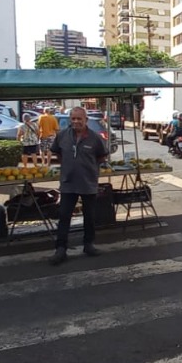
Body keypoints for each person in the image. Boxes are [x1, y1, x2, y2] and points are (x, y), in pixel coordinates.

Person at [50, 107, 109, 265]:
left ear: (85, 120)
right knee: (64, 215)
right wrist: (70, 166)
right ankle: (61, 248)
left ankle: (88, 245)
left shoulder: (95, 138)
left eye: (79, 119)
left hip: (88, 182)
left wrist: (89, 167)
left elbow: (102, 156)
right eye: (73, 119)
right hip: (68, 183)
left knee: (89, 216)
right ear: (70, 119)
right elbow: (57, 153)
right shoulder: (62, 136)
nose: (76, 121)